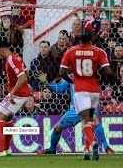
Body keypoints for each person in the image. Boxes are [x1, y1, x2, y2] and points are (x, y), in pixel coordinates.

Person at [59, 31, 114, 161]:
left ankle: (93, 143)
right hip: (94, 90)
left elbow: (61, 72)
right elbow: (108, 71)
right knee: (90, 119)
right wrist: (114, 80)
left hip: (80, 90)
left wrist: (72, 80)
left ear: (79, 41)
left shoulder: (70, 51)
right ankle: (86, 150)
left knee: (85, 120)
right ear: (91, 40)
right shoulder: (99, 51)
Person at [37, 77, 115, 156]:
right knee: (57, 128)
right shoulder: (70, 77)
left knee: (94, 121)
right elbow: (60, 89)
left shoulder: (89, 74)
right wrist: (47, 82)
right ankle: (52, 149)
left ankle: (106, 147)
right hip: (75, 109)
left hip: (90, 105)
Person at [0, 40, 31, 157]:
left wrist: (12, 93)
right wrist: (11, 85)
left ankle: (1, 150)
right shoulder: (16, 57)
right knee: (7, 119)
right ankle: (7, 149)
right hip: (20, 92)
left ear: (1, 50)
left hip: (18, 94)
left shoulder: (11, 60)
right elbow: (26, 75)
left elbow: (22, 78)